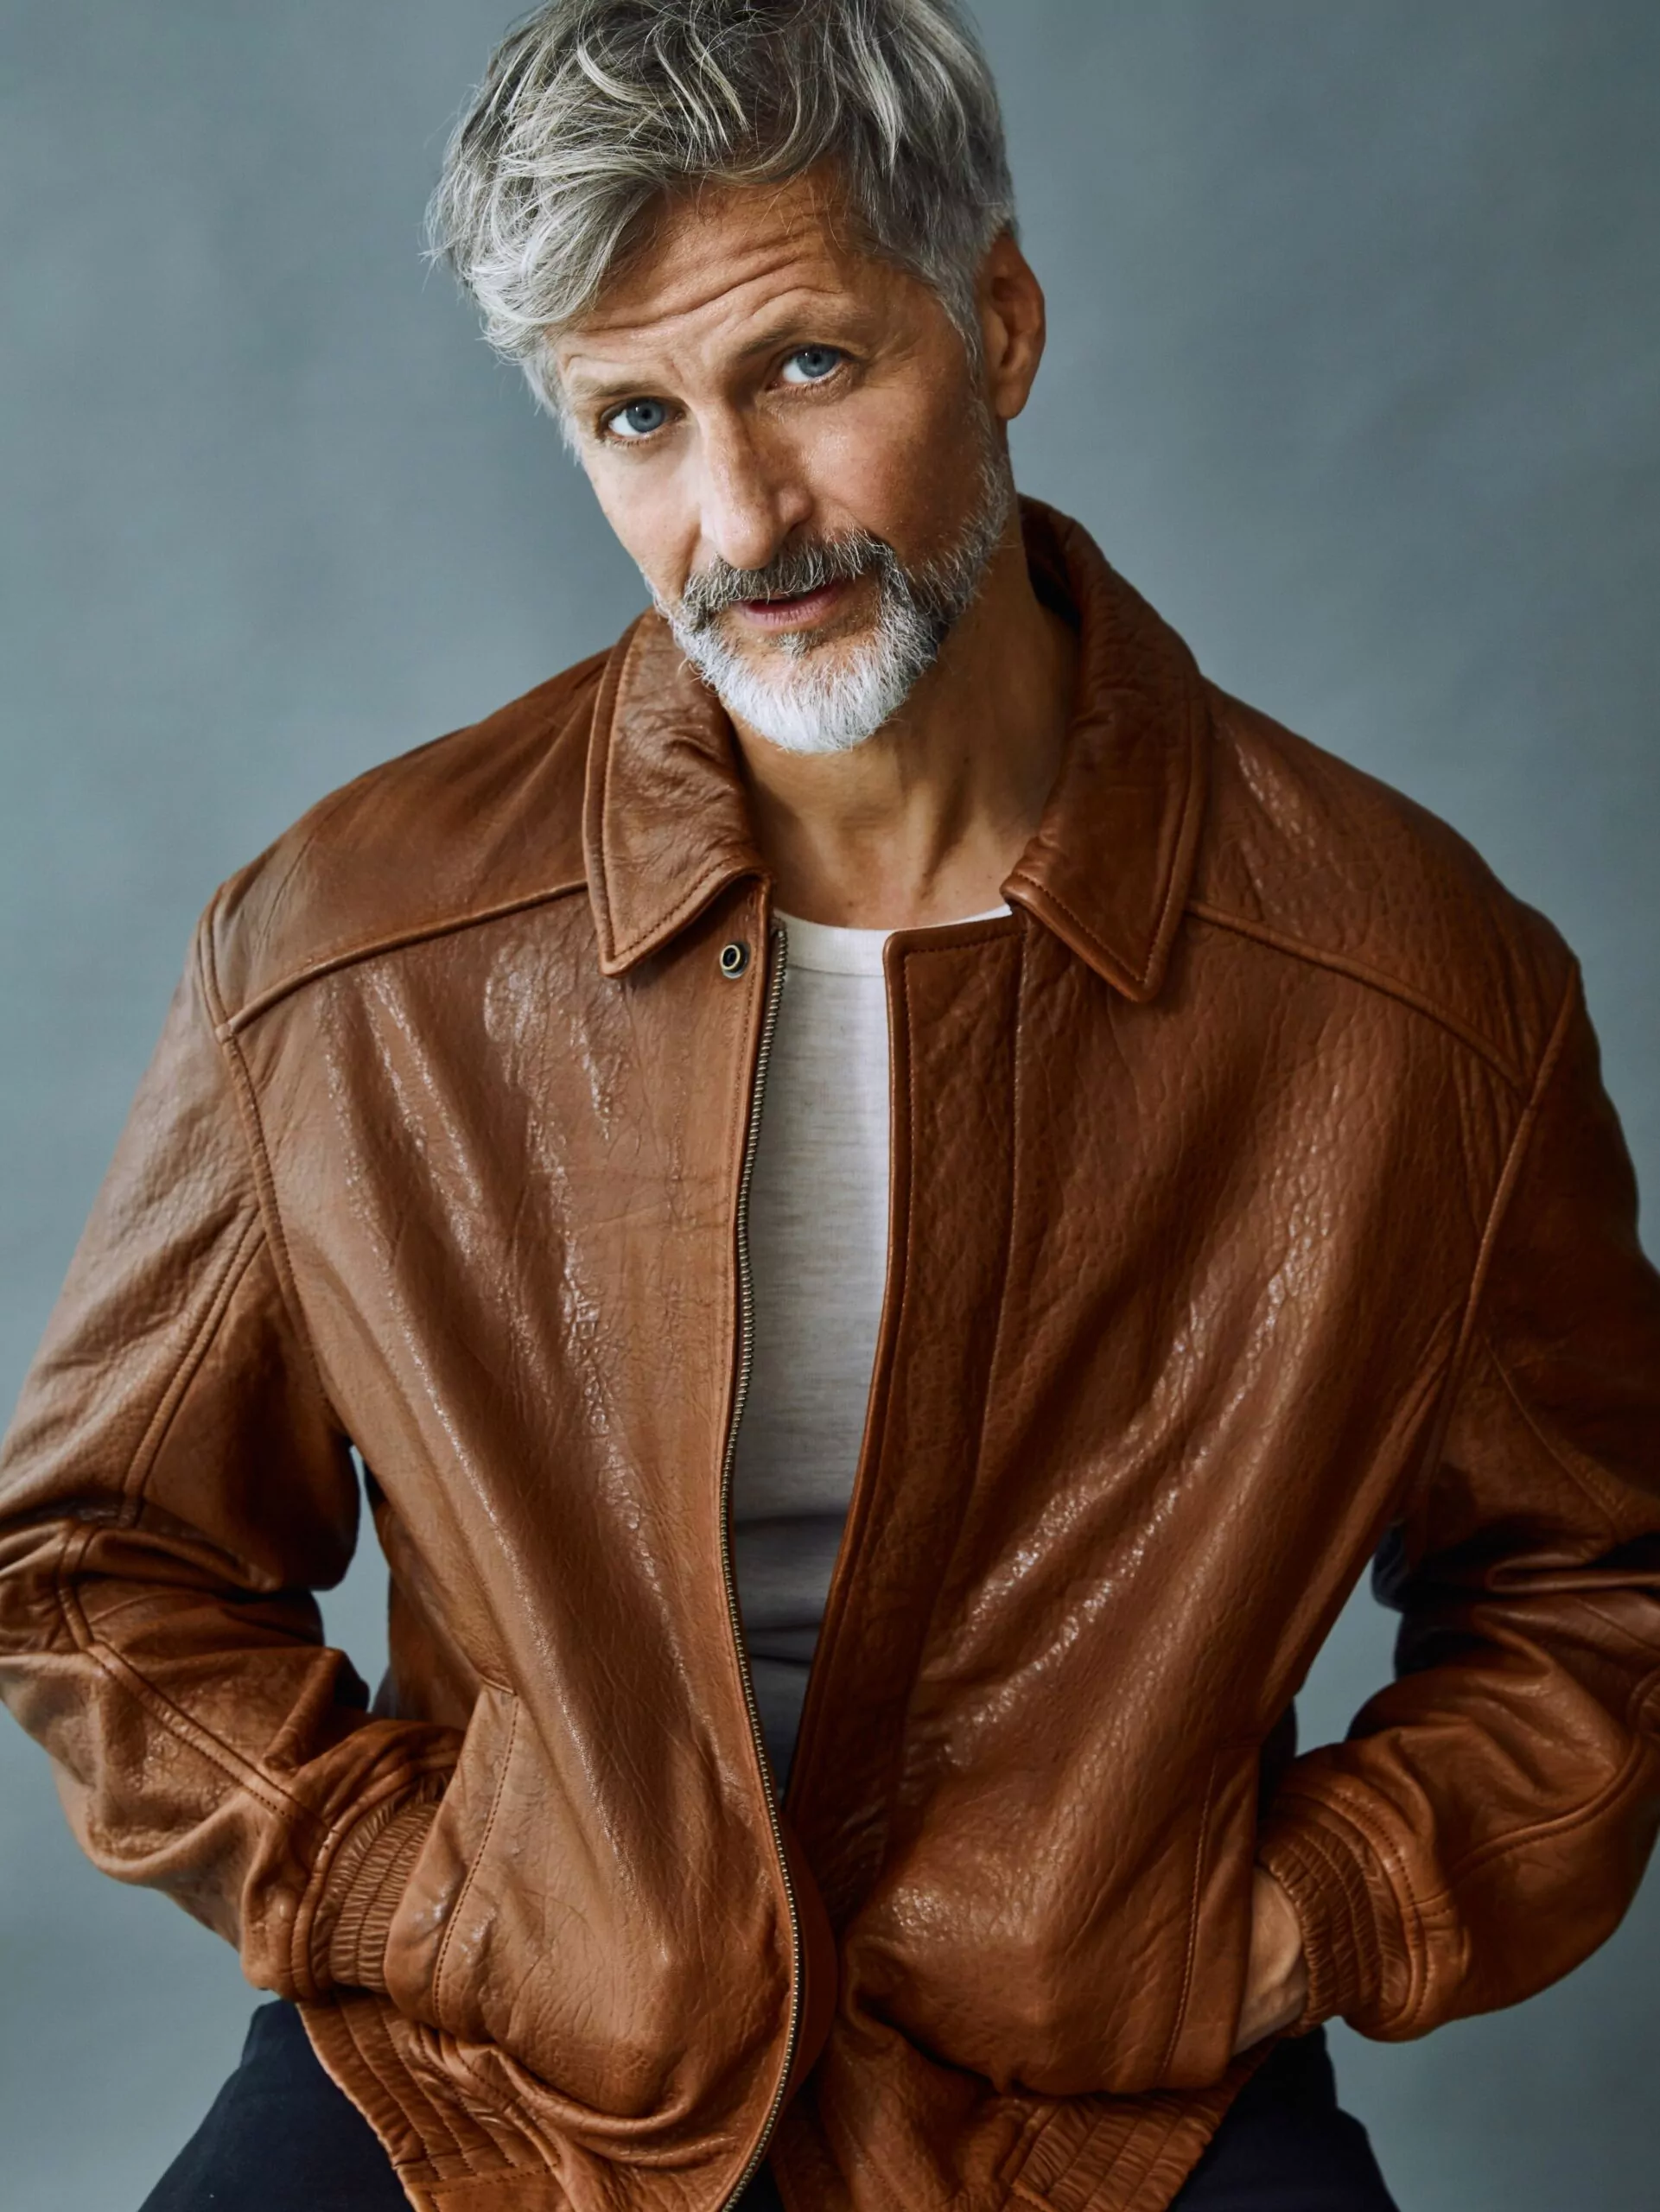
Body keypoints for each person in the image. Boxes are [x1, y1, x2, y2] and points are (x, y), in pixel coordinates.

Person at [3, 3, 1657, 2208]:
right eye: (636, 416)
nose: (742, 518)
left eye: (805, 367)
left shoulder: (1413, 990)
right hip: (504, 2058)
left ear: (999, 321)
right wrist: (421, 1900)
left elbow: (1602, 1583)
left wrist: (1292, 1917)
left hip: (1098, 2079)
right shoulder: (347, 948)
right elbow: (94, 1554)